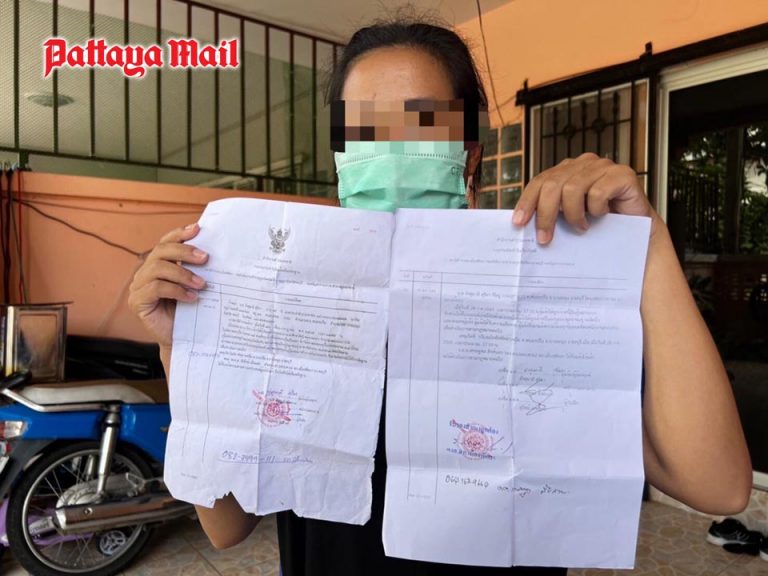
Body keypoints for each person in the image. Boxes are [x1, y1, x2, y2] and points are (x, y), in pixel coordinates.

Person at [127, 16, 753, 576]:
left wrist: (649, 242)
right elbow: (227, 526)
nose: (391, 150)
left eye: (421, 123)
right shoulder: (289, 305)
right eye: (366, 130)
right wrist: (183, 347)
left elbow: (718, 486)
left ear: (468, 156)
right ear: (341, 158)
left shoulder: (541, 296)